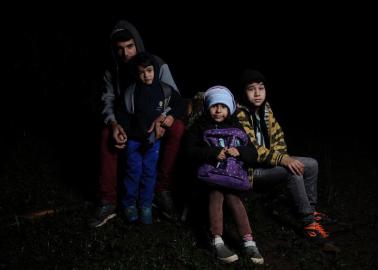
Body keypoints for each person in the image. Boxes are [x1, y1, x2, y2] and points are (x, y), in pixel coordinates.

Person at [88, 20, 185, 228]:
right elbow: (108, 101)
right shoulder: (112, 69)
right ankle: (108, 200)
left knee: (177, 128)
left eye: (130, 46)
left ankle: (161, 190)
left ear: (138, 44)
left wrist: (163, 118)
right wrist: (114, 124)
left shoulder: (156, 64)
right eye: (120, 49)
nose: (126, 54)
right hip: (128, 124)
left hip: (155, 124)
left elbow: (174, 96)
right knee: (106, 134)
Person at [236, 69, 333, 241]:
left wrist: (283, 157)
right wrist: (283, 160)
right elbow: (253, 149)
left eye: (261, 88)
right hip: (251, 171)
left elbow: (278, 136)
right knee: (291, 172)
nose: (257, 93)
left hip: (270, 163)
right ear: (244, 92)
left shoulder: (265, 109)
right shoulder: (239, 114)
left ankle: (310, 209)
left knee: (312, 164)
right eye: (251, 89)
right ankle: (308, 223)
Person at [186, 86, 264, 264]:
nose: (219, 110)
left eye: (223, 106)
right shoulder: (199, 127)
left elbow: (253, 153)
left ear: (229, 107)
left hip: (232, 176)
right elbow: (189, 152)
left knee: (234, 198)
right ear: (208, 108)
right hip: (209, 175)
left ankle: (249, 241)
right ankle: (217, 240)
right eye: (214, 106)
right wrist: (212, 153)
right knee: (216, 193)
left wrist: (240, 151)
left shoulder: (237, 126)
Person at [116, 52, 184, 224]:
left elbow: (179, 104)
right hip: (134, 141)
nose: (146, 75)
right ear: (136, 73)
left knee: (149, 172)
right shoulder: (130, 92)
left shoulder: (164, 89)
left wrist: (170, 117)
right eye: (141, 72)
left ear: (154, 70)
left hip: (154, 142)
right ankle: (129, 204)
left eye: (149, 70)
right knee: (133, 172)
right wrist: (128, 132)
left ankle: (146, 205)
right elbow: (122, 114)